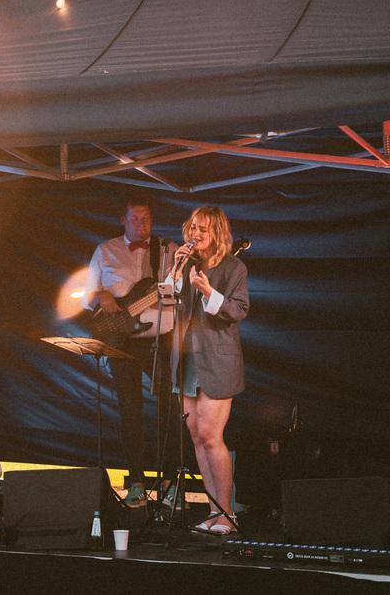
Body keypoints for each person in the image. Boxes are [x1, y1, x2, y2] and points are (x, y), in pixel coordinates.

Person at [85, 196, 175, 508]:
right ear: (122, 220)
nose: (141, 224)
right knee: (129, 411)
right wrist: (101, 295)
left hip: (160, 337)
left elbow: (182, 292)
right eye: (135, 218)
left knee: (170, 408)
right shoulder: (104, 250)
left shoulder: (168, 250)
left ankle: (170, 482)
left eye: (146, 218)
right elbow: (85, 294)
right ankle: (136, 480)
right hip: (120, 339)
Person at [168, 205, 249, 536]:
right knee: (197, 437)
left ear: (217, 233)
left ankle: (228, 513)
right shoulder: (186, 264)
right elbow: (166, 298)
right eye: (192, 228)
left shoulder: (234, 267)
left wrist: (207, 291)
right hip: (187, 359)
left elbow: (238, 310)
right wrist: (175, 269)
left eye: (203, 229)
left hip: (217, 360)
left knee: (212, 437)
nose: (196, 234)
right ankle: (213, 510)